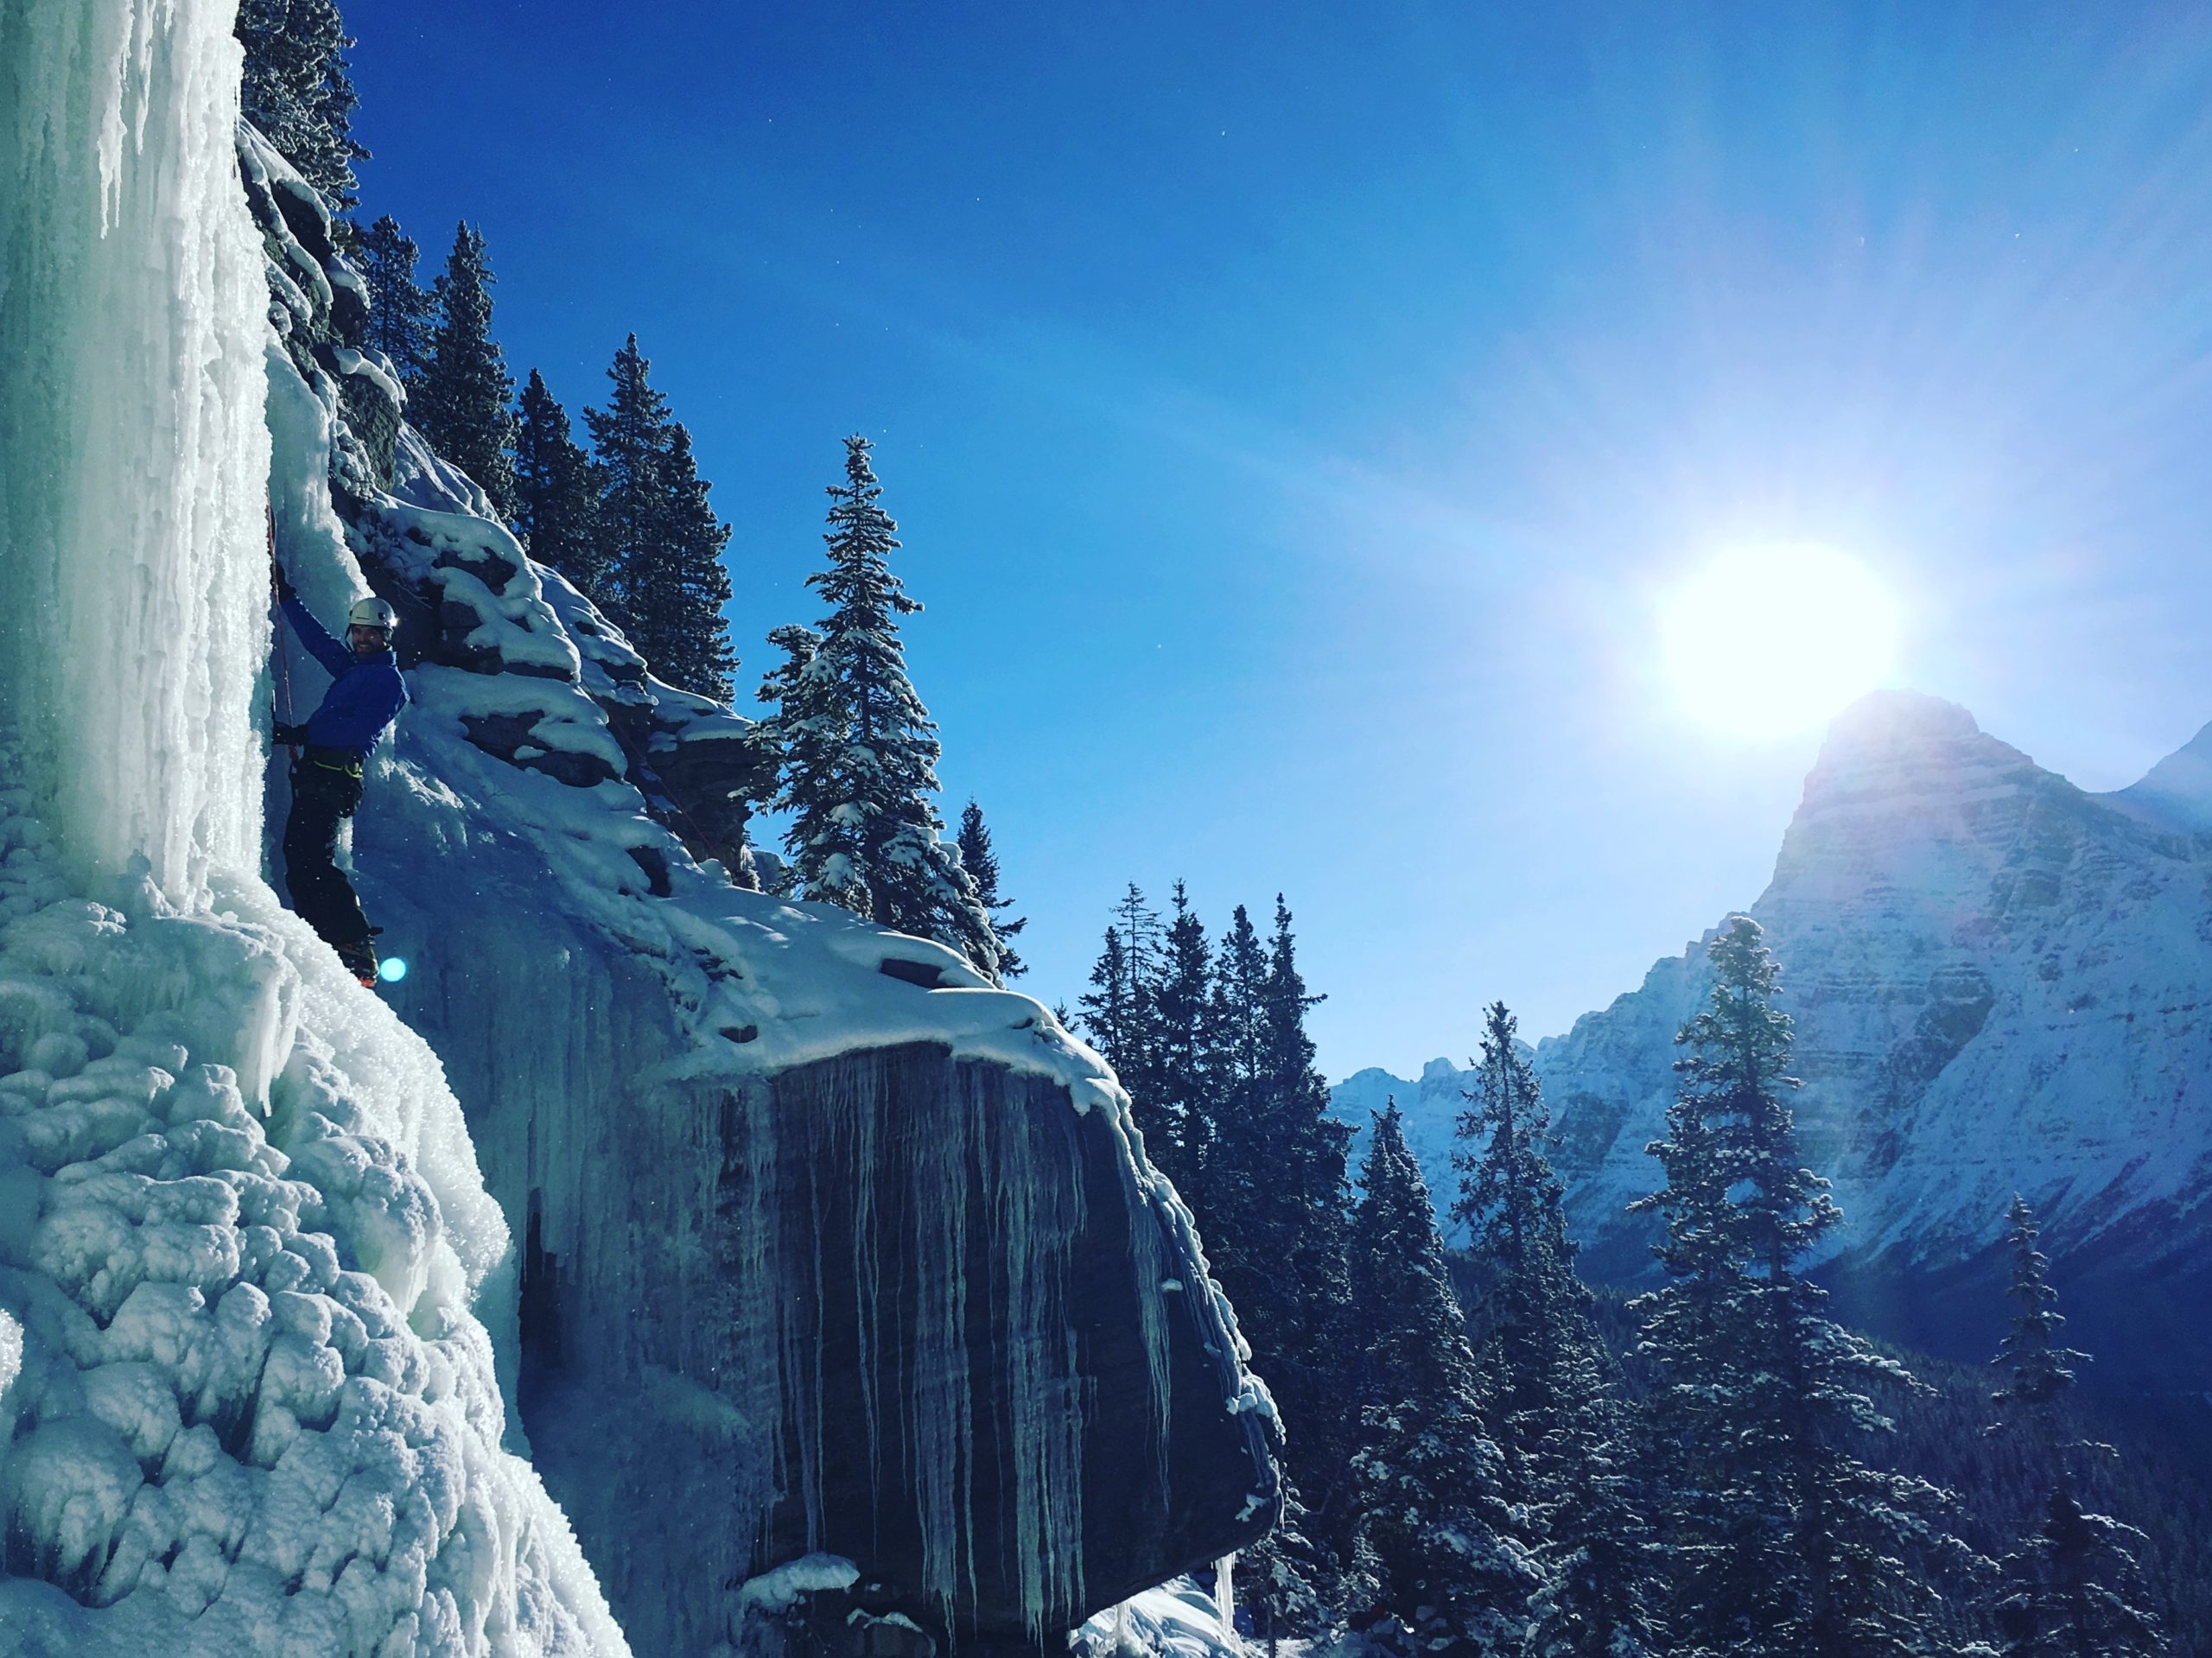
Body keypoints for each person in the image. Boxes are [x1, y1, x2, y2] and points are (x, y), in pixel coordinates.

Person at [271, 561, 409, 985]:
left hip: (335, 777)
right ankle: (327, 937)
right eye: (360, 632)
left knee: (312, 860)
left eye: (373, 634)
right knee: (301, 860)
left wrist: (302, 732)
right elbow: (318, 642)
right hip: (319, 775)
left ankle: (353, 944)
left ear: (386, 637)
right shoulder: (355, 669)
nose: (364, 639)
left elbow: (356, 727)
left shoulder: (388, 681)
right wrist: (288, 597)